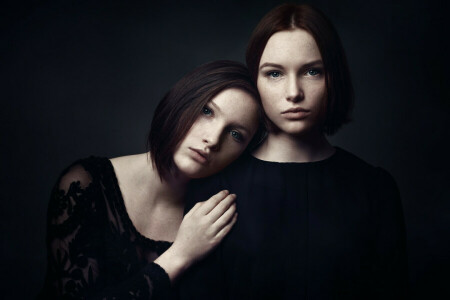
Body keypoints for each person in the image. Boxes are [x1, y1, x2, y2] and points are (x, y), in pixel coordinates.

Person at [179, 4, 408, 299]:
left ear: (333, 77)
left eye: (312, 71)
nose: (293, 92)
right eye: (274, 73)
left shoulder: (375, 189)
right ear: (255, 82)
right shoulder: (214, 188)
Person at [38, 60, 264, 299]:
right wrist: (181, 254)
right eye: (206, 111)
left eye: (235, 134)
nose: (213, 139)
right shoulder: (84, 184)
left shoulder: (225, 215)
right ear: (181, 103)